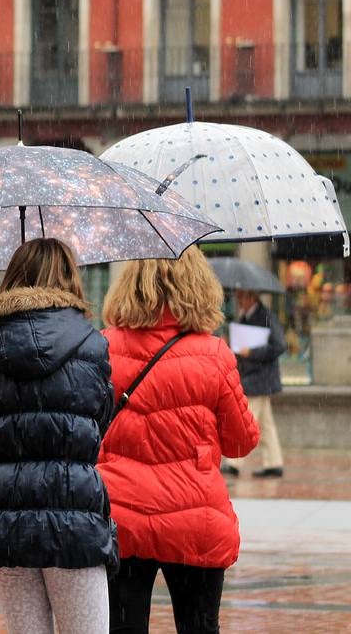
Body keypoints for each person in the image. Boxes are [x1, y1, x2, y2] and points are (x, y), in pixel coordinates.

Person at [97, 248, 260, 634]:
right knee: (199, 626)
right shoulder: (213, 353)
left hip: (121, 516)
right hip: (196, 516)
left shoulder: (102, 349)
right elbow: (241, 442)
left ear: (130, 285)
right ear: (197, 286)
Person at [0, 238, 116, 634]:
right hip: (72, 508)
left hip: (4, 513)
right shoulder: (91, 343)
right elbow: (97, 424)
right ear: (68, 277)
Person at [221, 289, 285, 479]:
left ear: (252, 297)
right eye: (238, 296)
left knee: (246, 418)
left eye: (242, 296)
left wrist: (253, 352)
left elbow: (279, 345)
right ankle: (274, 463)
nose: (239, 300)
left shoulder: (266, 316)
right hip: (251, 376)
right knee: (265, 424)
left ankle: (234, 463)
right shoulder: (243, 317)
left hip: (260, 378)